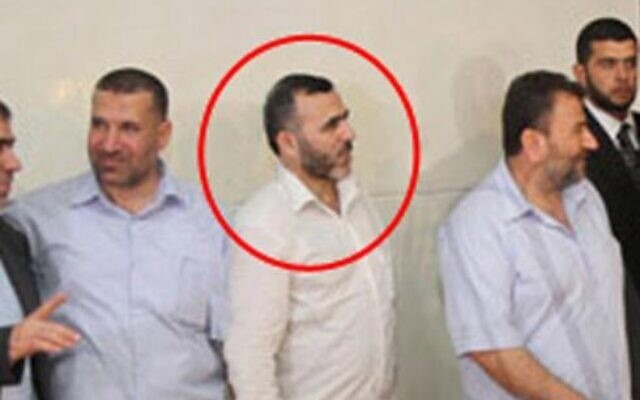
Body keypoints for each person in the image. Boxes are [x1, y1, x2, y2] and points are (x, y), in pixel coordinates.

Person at [5, 68, 228, 400]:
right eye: (99, 125)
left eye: (129, 129)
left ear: (163, 135)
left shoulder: (213, 223)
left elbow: (240, 346)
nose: (109, 144)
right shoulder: (33, 220)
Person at [438, 71, 630, 399]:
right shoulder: (476, 226)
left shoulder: (587, 199)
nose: (592, 142)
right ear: (533, 144)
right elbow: (494, 351)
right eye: (578, 130)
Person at [224, 74, 395, 400]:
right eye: (331, 126)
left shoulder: (356, 198)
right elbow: (250, 356)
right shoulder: (265, 223)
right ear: (288, 143)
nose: (349, 134)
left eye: (345, 119)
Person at [572, 17, 640, 398]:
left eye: (631, 63)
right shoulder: (571, 146)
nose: (623, 76)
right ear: (580, 73)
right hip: (611, 332)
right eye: (608, 64)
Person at [0, 100, 79, 400]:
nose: (13, 164)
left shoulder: (11, 237)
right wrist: (8, 345)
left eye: (10, 146)